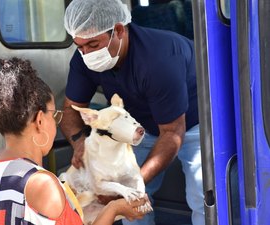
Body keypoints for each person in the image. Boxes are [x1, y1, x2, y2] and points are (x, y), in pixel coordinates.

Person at [60, 0, 204, 225]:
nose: (86, 54)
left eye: (93, 45)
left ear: (118, 30)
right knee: (131, 209)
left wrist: (130, 186)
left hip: (193, 122)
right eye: (80, 47)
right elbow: (69, 109)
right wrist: (81, 143)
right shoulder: (84, 58)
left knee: (204, 199)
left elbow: (173, 133)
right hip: (141, 126)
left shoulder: (159, 59)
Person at [0, 57, 149, 225]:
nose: (56, 123)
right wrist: (114, 208)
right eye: (55, 115)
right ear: (40, 120)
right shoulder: (43, 184)